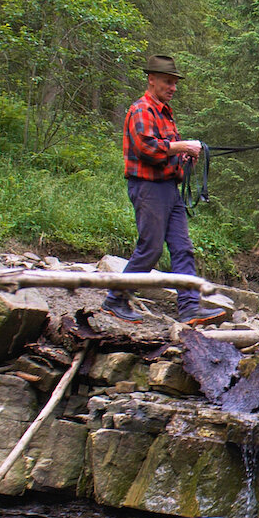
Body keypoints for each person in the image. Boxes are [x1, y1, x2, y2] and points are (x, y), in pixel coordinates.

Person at [101, 54, 224, 326]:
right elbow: (147, 149)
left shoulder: (165, 113)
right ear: (152, 80)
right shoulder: (141, 110)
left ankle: (190, 307)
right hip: (148, 188)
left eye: (175, 83)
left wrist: (184, 157)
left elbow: (165, 152)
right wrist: (182, 147)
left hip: (169, 189)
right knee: (151, 248)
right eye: (168, 82)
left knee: (182, 248)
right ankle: (115, 299)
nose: (173, 87)